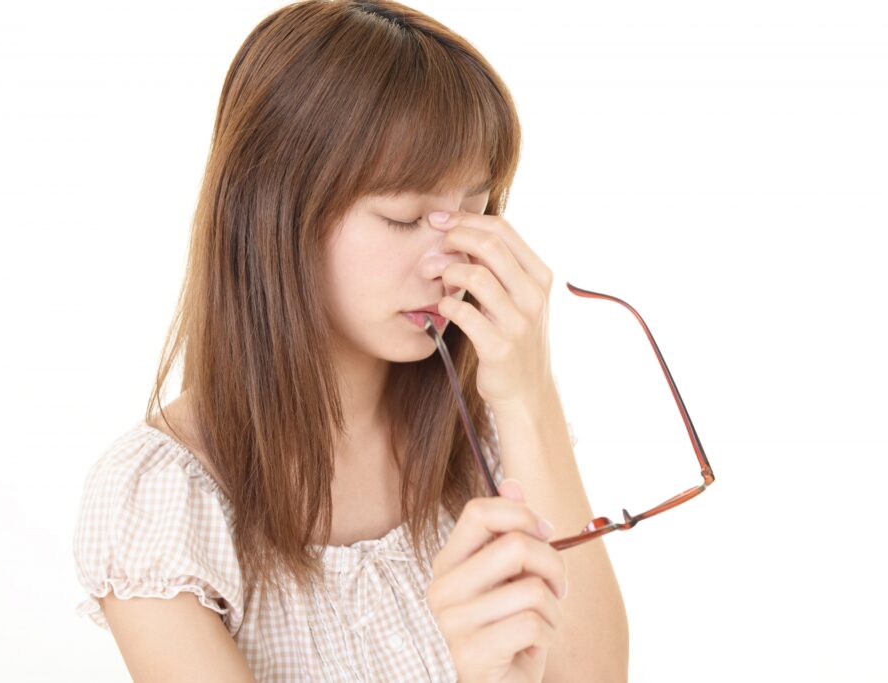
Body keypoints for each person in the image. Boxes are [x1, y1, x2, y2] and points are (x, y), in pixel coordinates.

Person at [72, 1, 626, 681]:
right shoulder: (162, 501)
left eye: (474, 208)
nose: (448, 263)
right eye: (402, 217)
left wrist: (528, 395)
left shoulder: (486, 428)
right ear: (274, 215)